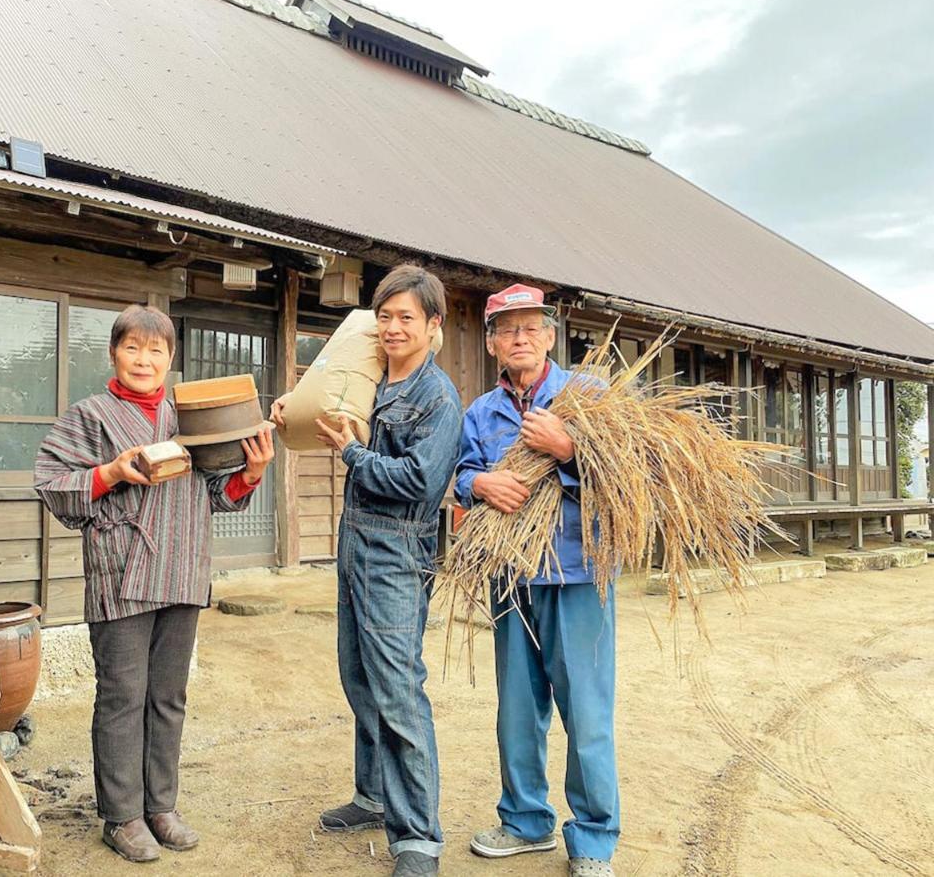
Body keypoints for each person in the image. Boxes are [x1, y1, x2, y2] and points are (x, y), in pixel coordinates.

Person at [34, 304, 274, 864]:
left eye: (156, 350)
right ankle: (121, 816)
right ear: (114, 354)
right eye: (133, 348)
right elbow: (51, 483)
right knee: (122, 697)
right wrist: (112, 472)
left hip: (183, 569)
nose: (144, 360)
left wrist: (250, 475)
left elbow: (212, 494)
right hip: (122, 572)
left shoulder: (188, 417)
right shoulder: (89, 416)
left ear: (171, 358)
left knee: (168, 697)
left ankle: (160, 806)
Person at [271, 265, 462, 877]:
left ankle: (420, 837)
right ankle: (373, 795)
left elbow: (421, 482)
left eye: (407, 317)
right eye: (385, 316)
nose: (393, 327)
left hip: (398, 552)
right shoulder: (374, 379)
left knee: (398, 687)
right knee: (358, 676)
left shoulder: (437, 397)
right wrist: (291, 411)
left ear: (432, 326)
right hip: (355, 543)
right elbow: (327, 413)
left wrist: (352, 452)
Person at [455, 284, 620, 877]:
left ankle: (594, 840)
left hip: (577, 572)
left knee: (587, 709)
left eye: (531, 329)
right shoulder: (481, 412)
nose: (519, 339)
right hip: (511, 576)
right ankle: (525, 821)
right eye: (507, 330)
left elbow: (632, 476)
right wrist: (478, 486)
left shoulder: (590, 397)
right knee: (518, 708)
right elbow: (461, 472)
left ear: (550, 336)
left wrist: (570, 449)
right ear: (494, 343)